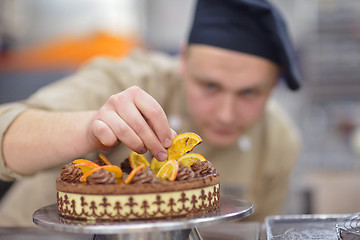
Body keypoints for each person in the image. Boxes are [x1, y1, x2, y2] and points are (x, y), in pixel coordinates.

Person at [0, 0, 301, 226]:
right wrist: (88, 129)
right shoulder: (126, 80)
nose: (225, 114)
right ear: (183, 60)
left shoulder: (278, 142)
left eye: (249, 93)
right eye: (209, 86)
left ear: (274, 86)